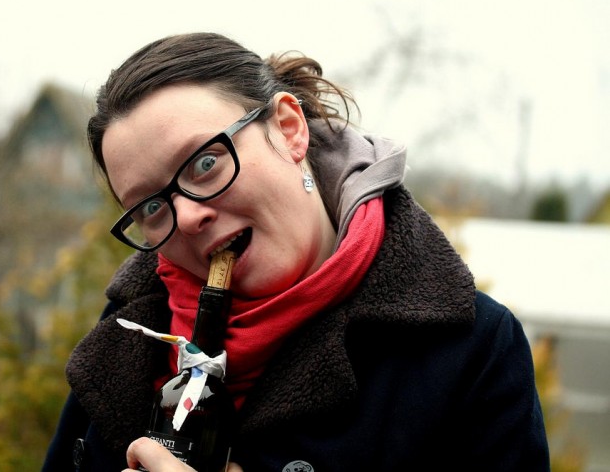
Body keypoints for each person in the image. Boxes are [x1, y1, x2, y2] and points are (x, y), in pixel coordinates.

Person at [42, 32, 549, 472]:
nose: (190, 217)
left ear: (288, 128)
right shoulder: (127, 334)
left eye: (204, 164)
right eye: (152, 206)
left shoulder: (467, 348)